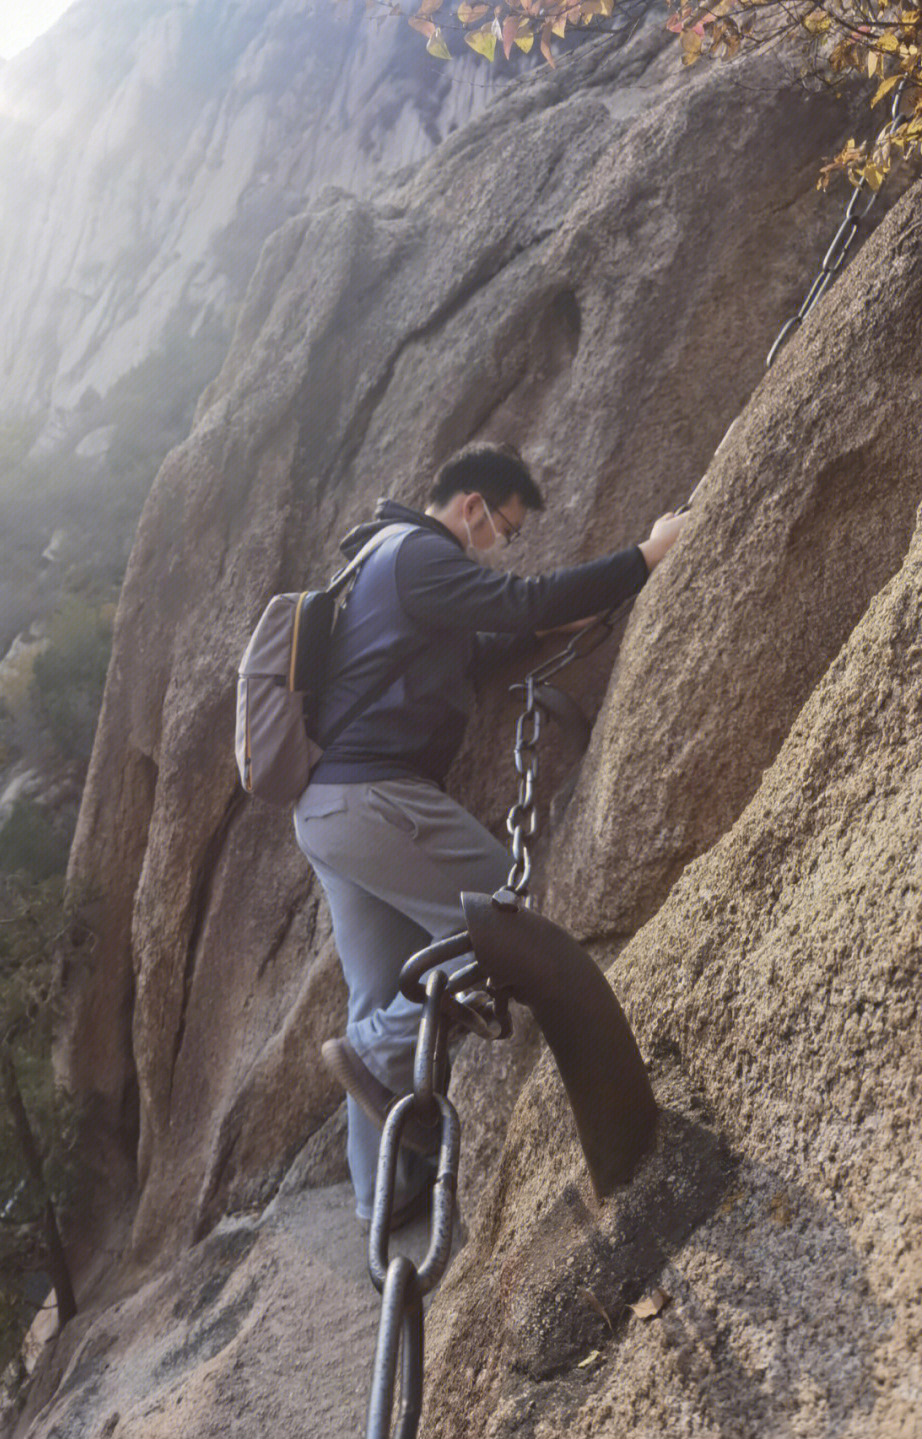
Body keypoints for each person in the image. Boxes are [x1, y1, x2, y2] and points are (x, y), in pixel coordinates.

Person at [293, 443, 685, 1226]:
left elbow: (486, 646)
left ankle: (381, 1196)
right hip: (377, 798)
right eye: (503, 528)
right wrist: (649, 554)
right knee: (506, 915)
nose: (499, 544)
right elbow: (521, 600)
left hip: (327, 811)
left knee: (380, 988)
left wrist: (563, 614)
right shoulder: (421, 555)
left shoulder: (383, 560)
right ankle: (373, 1058)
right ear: (473, 506)